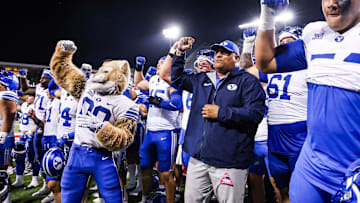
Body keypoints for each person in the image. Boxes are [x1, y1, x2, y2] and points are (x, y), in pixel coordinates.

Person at [255, 0, 360, 202]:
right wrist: (267, 13)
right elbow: (265, 61)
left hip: (353, 167)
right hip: (312, 165)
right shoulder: (315, 34)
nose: (331, 4)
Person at [171, 37, 266, 202]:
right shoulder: (203, 79)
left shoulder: (248, 81)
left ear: (236, 57)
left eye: (225, 52)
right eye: (217, 52)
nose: (219, 55)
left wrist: (222, 113)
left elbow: (255, 114)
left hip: (229, 161)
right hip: (199, 159)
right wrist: (179, 52)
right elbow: (177, 78)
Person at [50, 40, 138, 203]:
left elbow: (125, 138)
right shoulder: (86, 87)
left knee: (113, 197)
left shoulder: (126, 104)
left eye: (106, 72)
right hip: (77, 153)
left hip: (101, 156)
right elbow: (62, 72)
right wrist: (63, 53)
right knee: (69, 195)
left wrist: (101, 128)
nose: (100, 75)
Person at [134, 55, 182, 203]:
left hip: (167, 131)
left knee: (166, 172)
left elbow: (176, 104)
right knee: (145, 168)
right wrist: (138, 68)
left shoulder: (175, 81)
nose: (160, 65)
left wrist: (154, 101)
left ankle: (170, 198)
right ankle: (145, 199)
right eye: (159, 62)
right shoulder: (154, 80)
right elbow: (139, 84)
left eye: (164, 62)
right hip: (151, 131)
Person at [0, 70, 19, 203]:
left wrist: (2, 137)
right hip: (4, 137)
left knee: (1, 173)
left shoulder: (7, 94)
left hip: (3, 138)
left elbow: (10, 114)